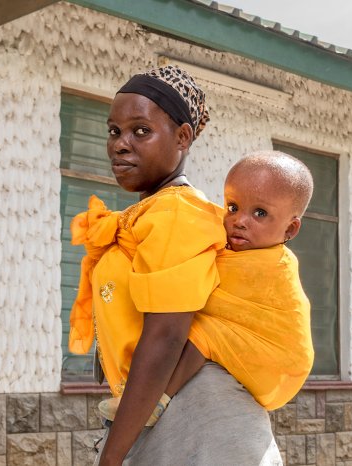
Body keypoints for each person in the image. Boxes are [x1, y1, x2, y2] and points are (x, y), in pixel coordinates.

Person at [68, 66, 283, 465]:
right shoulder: (151, 213)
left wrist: (111, 457)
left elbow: (166, 336)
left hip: (204, 417)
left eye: (140, 131)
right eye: (113, 131)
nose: (120, 144)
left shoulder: (178, 213)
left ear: (182, 137)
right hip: (172, 406)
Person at [99, 151, 315, 425]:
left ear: (290, 230)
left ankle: (156, 400)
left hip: (278, 359)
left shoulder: (273, 266)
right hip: (256, 355)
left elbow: (211, 296)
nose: (240, 220)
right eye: (233, 206)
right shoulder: (228, 246)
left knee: (203, 332)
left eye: (260, 213)